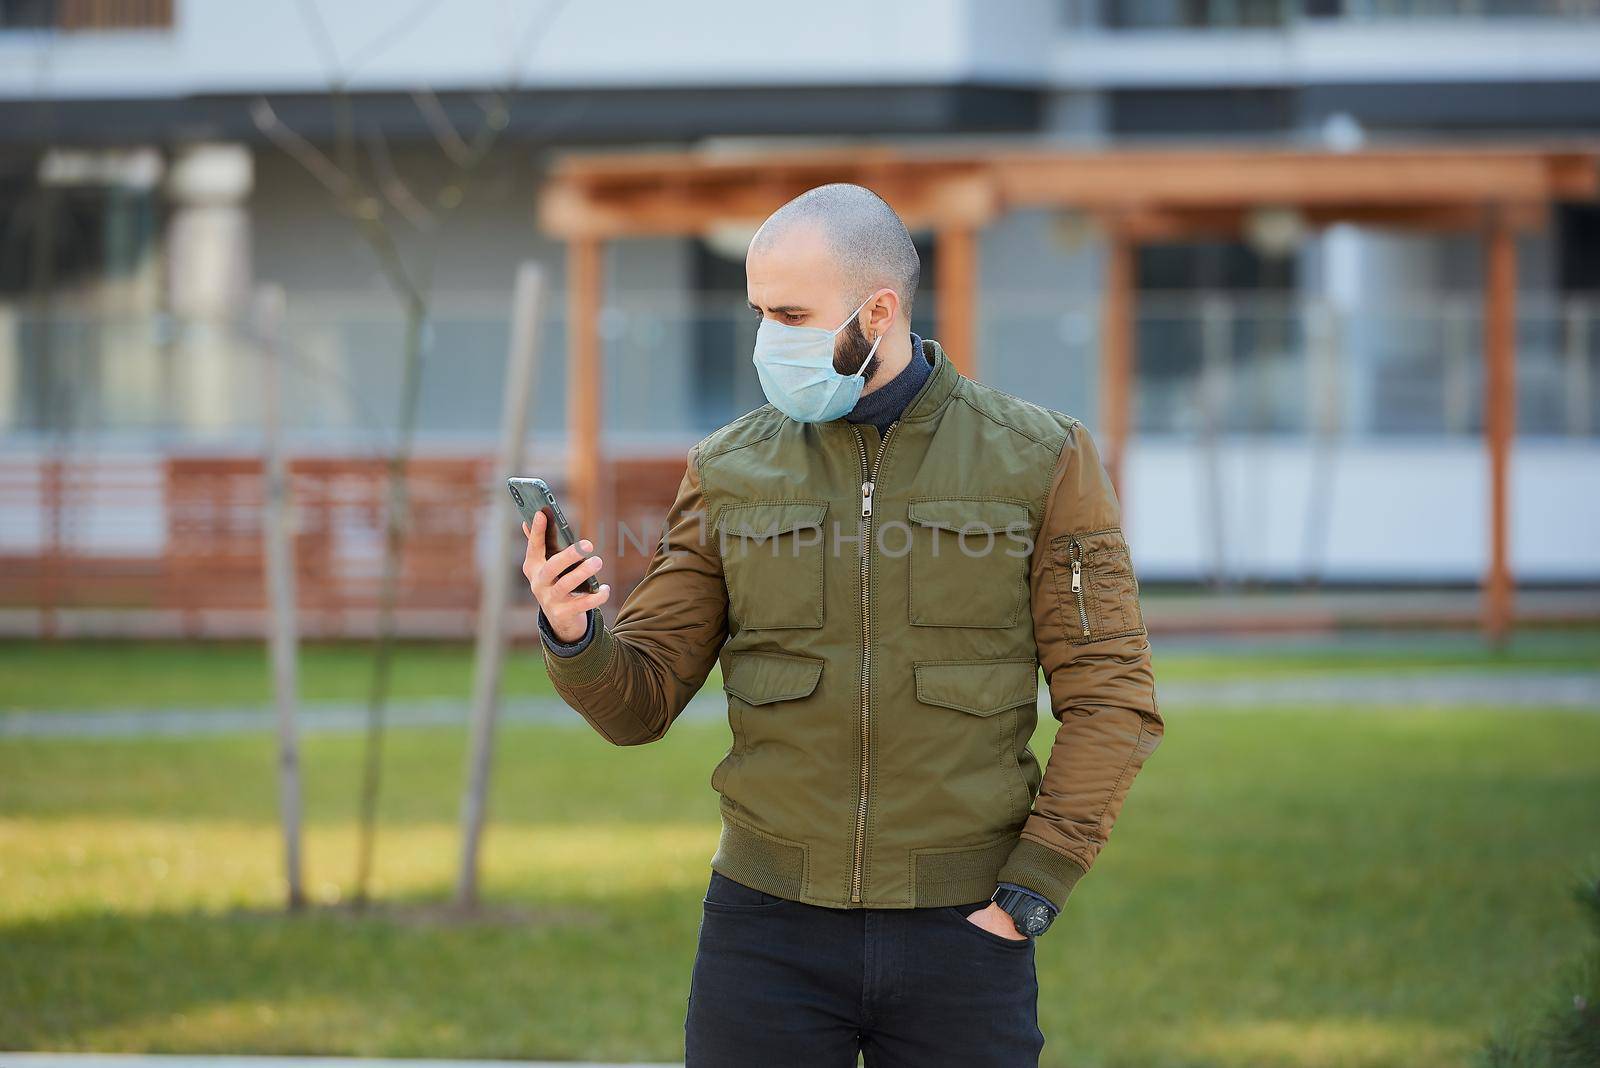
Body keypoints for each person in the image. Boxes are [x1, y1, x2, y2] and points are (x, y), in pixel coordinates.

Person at [522, 182, 1163, 1067]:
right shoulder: (728, 469)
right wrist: (575, 635)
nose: (766, 341)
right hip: (763, 937)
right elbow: (639, 706)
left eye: (790, 313)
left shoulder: (1044, 460)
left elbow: (1113, 699)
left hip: (965, 936)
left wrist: (1033, 892)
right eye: (758, 313)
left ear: (879, 309)